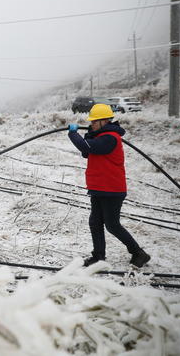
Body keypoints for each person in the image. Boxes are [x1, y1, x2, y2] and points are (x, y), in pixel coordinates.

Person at [68, 104, 150, 268]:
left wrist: (73, 134)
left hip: (112, 189)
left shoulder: (110, 137)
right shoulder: (101, 137)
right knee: (95, 222)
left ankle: (138, 253)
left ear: (104, 121)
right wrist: (90, 134)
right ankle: (98, 257)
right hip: (99, 187)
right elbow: (87, 152)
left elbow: (87, 147)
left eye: (94, 122)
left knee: (112, 225)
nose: (91, 124)